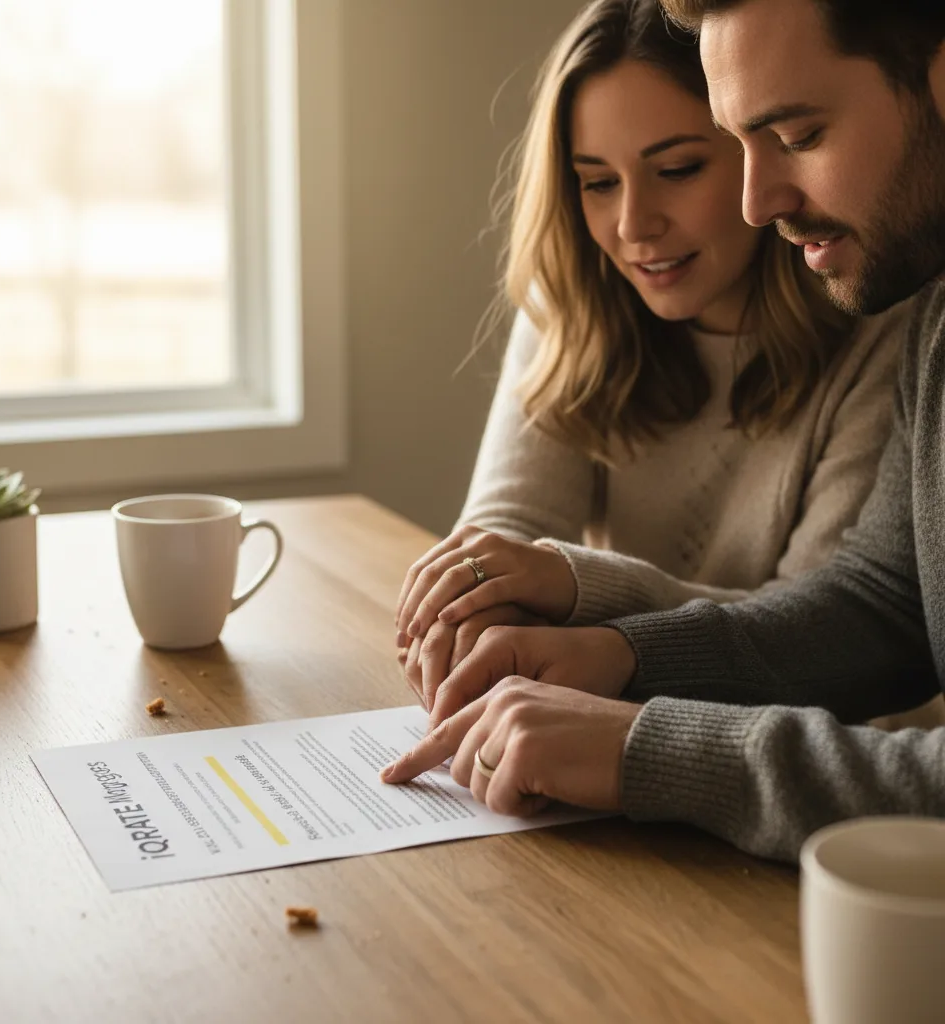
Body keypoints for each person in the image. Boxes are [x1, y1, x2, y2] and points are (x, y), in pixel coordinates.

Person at [382, 0, 945, 864]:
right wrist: (622, 656)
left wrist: (648, 749)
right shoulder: (936, 308)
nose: (758, 202)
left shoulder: (890, 312)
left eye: (797, 136)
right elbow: (879, 607)